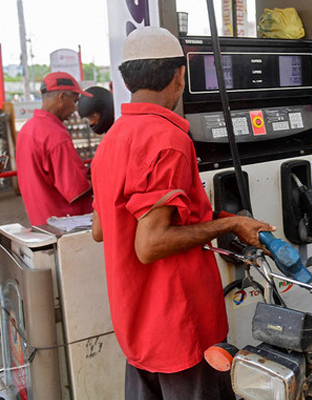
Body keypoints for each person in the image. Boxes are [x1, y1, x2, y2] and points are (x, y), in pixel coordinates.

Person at [90, 27, 274, 400]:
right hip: (181, 328)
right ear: (178, 75)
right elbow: (151, 242)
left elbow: (100, 228)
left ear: (128, 78)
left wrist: (201, 216)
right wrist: (233, 222)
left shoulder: (112, 139)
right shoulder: (168, 139)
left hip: (137, 326)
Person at [15, 72, 94, 225]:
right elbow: (76, 189)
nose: (75, 108)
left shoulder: (27, 129)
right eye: (75, 101)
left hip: (40, 221)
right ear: (62, 97)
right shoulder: (56, 135)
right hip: (68, 224)